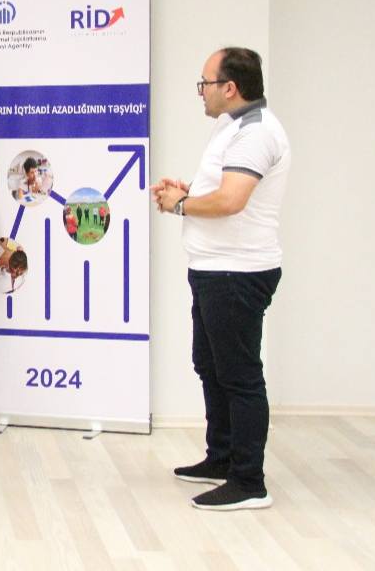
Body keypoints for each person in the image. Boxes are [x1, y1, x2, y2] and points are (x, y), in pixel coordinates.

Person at [151, 47, 290, 511]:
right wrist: (189, 192)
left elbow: (232, 201)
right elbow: (222, 190)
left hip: (238, 272)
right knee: (209, 365)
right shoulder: (230, 126)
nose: (201, 92)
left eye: (205, 83)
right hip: (213, 268)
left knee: (239, 376)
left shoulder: (256, 133)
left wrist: (180, 205)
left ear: (230, 87)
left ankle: (248, 481)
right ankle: (223, 457)